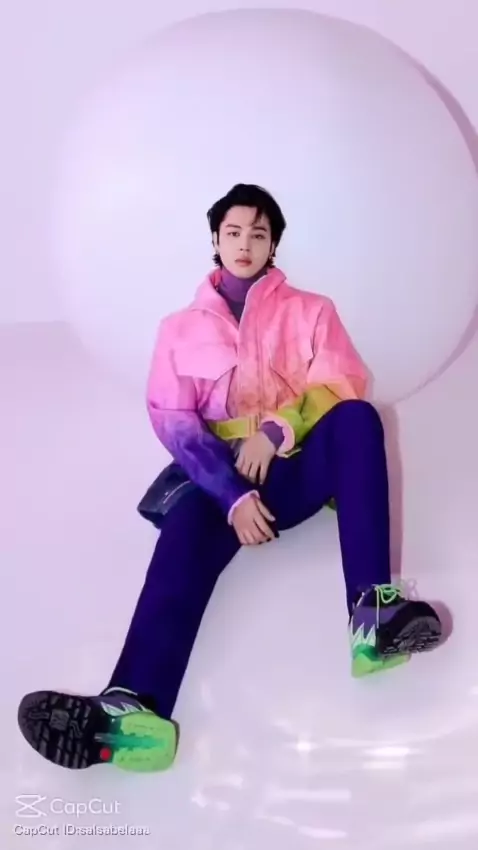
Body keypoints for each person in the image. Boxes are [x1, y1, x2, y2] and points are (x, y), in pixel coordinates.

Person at [17, 183, 442, 774]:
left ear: (273, 245)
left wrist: (275, 431)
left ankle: (374, 620)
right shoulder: (179, 328)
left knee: (358, 418)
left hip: (298, 470)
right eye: (234, 232)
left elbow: (340, 380)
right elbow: (174, 420)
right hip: (220, 483)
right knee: (184, 535)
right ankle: (132, 714)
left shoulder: (311, 310)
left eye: (258, 234)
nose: (245, 244)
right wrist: (233, 494)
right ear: (215, 240)